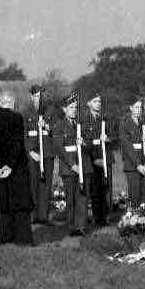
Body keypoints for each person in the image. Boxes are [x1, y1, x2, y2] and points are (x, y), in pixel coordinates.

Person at [0, 90, 35, 245]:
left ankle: (5, 238)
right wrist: (9, 166)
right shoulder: (17, 118)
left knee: (3, 204)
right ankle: (22, 239)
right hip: (16, 168)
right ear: (12, 102)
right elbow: (18, 144)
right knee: (20, 204)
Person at [52, 91, 90, 236]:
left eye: (75, 108)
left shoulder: (81, 125)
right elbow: (59, 149)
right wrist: (73, 165)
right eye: (71, 108)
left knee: (82, 197)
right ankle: (72, 227)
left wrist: (84, 143)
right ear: (64, 109)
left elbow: (90, 147)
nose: (74, 110)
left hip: (83, 166)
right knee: (71, 198)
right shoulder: (59, 125)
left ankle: (82, 226)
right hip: (69, 168)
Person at [23, 85, 55, 225]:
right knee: (33, 184)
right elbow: (23, 134)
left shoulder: (50, 110)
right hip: (33, 153)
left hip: (47, 152)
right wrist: (30, 152)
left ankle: (44, 216)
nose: (39, 98)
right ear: (31, 96)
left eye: (41, 96)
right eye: (36, 96)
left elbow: (58, 131)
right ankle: (33, 216)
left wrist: (47, 126)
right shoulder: (25, 111)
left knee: (46, 184)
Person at [81, 92, 113, 227]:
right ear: (89, 103)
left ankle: (105, 217)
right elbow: (85, 142)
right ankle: (96, 218)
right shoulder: (84, 120)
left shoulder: (105, 119)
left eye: (99, 101)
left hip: (105, 159)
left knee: (106, 189)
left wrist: (108, 139)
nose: (98, 104)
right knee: (95, 190)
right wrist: (95, 159)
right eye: (95, 101)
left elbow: (114, 137)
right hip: (92, 160)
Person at [117, 94, 145, 208]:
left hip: (144, 162)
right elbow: (127, 147)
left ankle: (144, 218)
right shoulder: (124, 123)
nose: (139, 110)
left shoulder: (143, 122)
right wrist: (138, 164)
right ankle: (134, 218)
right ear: (130, 108)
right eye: (136, 107)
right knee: (135, 194)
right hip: (132, 165)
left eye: (140, 107)